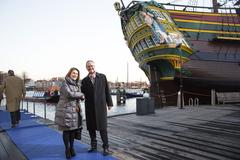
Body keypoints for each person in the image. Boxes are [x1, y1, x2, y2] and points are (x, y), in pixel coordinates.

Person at [81, 60, 113, 156]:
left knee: (103, 127)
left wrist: (109, 103)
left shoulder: (102, 77)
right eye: (88, 66)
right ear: (86, 68)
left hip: (101, 106)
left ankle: (106, 147)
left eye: (91, 66)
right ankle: (93, 145)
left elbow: (107, 90)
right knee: (91, 127)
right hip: (89, 107)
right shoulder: (84, 80)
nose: (90, 68)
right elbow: (82, 94)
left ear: (94, 66)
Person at [54, 67, 84, 159]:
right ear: (69, 74)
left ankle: (72, 147)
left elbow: (77, 95)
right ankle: (67, 149)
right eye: (73, 73)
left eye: (77, 73)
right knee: (66, 130)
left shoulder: (77, 85)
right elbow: (69, 94)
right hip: (65, 110)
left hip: (75, 110)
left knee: (73, 130)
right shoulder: (64, 84)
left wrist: (81, 97)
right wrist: (82, 95)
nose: (75, 75)